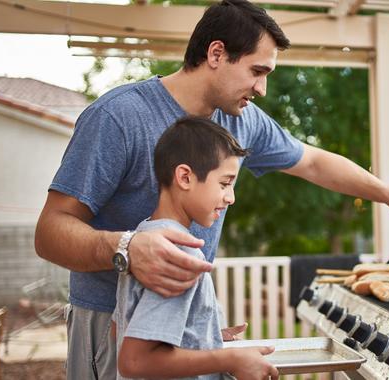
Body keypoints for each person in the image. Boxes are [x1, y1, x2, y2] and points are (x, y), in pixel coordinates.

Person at [34, 0, 389, 378]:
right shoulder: (119, 117)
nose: (262, 88)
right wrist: (126, 249)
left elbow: (315, 162)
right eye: (256, 71)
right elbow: (50, 232)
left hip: (180, 333)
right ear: (216, 54)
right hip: (110, 325)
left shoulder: (242, 121)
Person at [114, 116, 277, 380]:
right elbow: (134, 360)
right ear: (185, 177)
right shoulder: (179, 253)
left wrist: (205, 336)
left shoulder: (143, 237)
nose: (231, 197)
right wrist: (230, 358)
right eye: (225, 183)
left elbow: (119, 329)